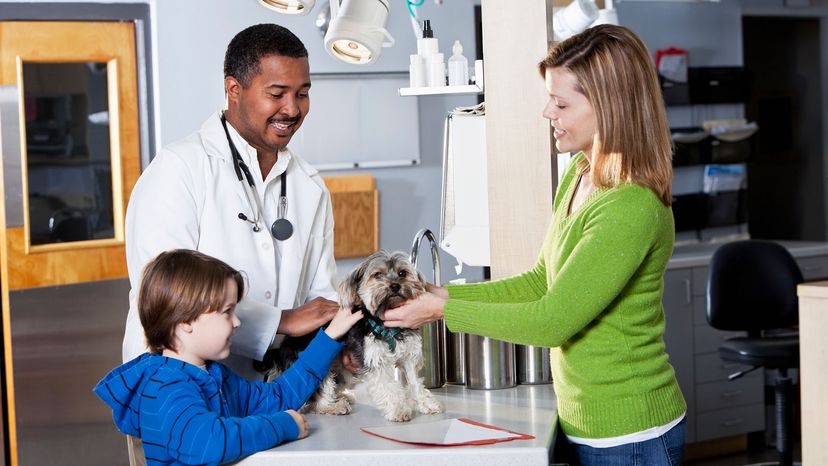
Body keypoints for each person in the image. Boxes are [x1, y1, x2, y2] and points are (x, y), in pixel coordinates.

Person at [384, 24, 687, 465]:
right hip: (587, 423)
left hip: (631, 434)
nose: (548, 112)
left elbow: (551, 321)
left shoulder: (630, 204)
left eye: (561, 103)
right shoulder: (581, 174)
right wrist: (441, 293)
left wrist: (440, 311)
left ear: (610, 107)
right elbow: (541, 282)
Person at [123, 24, 341, 379]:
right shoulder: (179, 169)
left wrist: (339, 341)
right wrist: (282, 321)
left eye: (302, 93)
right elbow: (163, 296)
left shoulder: (308, 185)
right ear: (234, 89)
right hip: (178, 388)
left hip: (275, 388)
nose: (292, 109)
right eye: (277, 93)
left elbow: (320, 299)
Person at [95, 249, 363, 465]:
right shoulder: (166, 387)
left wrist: (331, 336)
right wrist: (282, 425)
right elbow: (208, 443)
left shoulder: (212, 375)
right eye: (226, 312)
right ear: (186, 320)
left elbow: (278, 397)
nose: (236, 322)